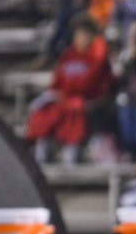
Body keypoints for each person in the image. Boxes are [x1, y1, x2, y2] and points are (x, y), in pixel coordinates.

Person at [26, 14, 113, 164]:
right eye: (77, 34)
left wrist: (68, 93)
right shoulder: (69, 55)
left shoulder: (97, 55)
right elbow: (56, 82)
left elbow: (90, 84)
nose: (78, 39)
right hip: (65, 100)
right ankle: (42, 151)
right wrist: (54, 94)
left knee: (74, 108)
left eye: (83, 34)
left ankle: (71, 152)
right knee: (44, 110)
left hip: (90, 102)